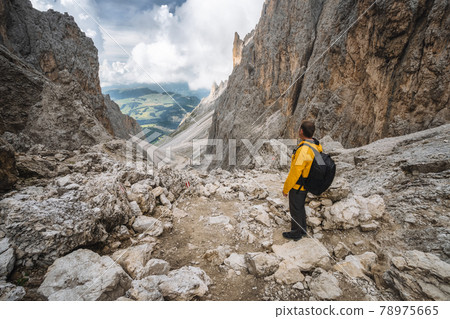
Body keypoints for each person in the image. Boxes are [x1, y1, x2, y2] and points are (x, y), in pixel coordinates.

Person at [282, 120, 322, 241]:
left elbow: (295, 172)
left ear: (301, 131)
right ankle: (302, 229)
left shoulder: (303, 150)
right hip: (307, 183)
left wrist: (286, 188)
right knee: (300, 207)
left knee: (295, 208)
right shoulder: (316, 146)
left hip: (298, 185)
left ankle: (296, 232)